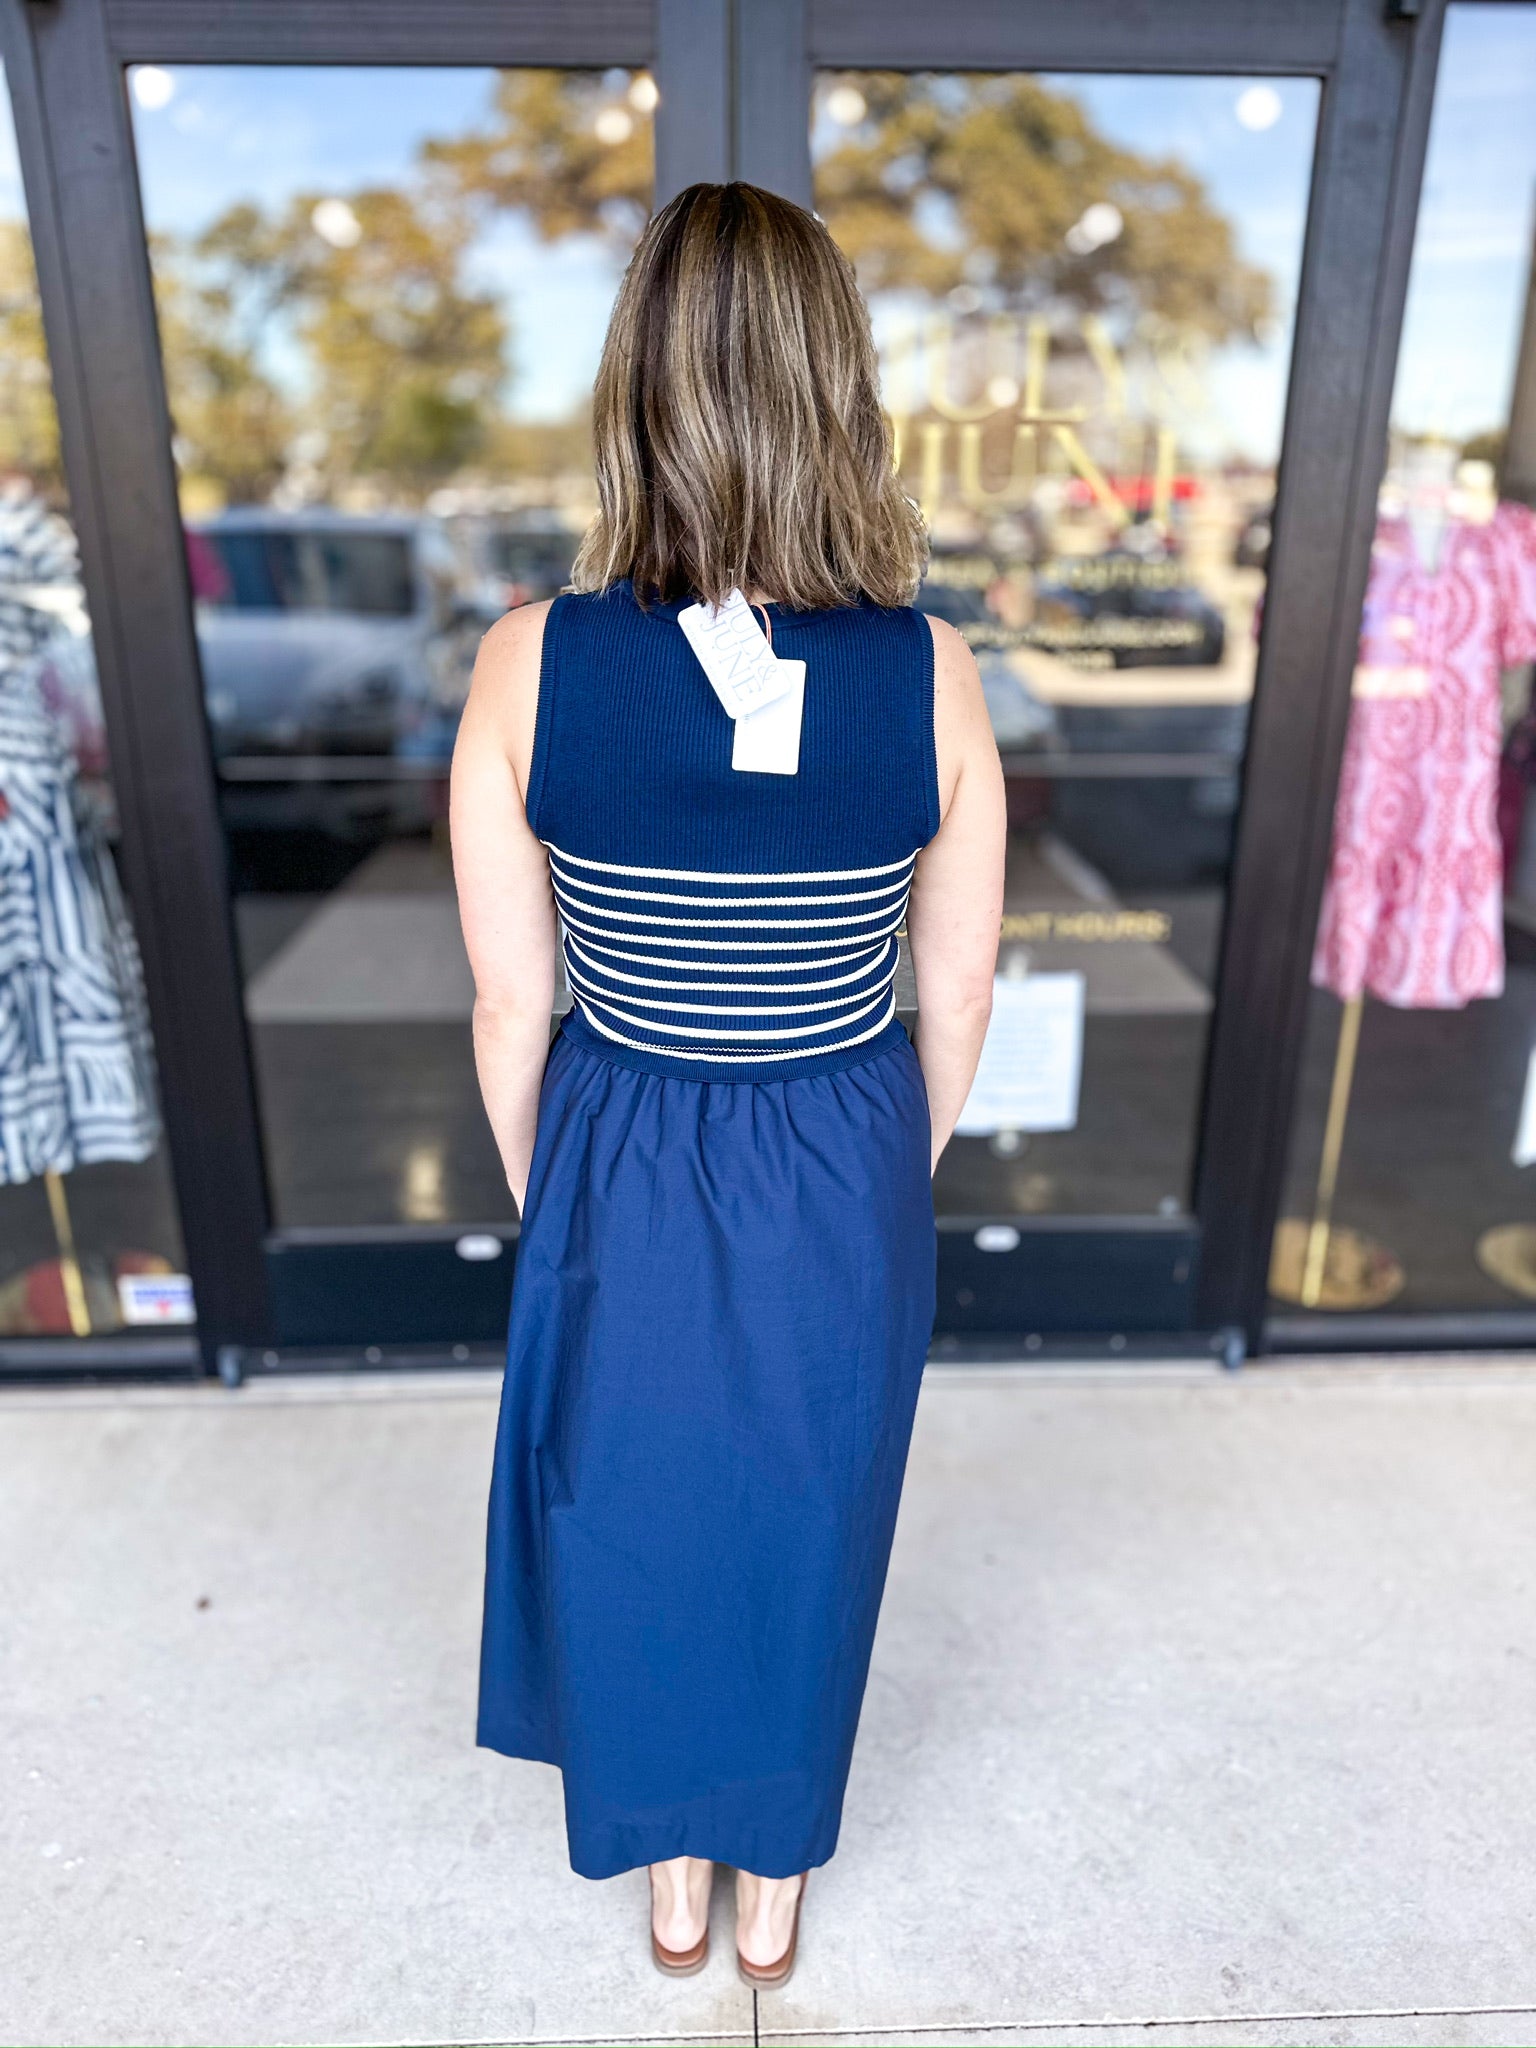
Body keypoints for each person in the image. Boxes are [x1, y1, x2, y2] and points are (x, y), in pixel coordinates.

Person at [451, 180, 1005, 1987]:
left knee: (626, 1500)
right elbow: (960, 977)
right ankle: (774, 1882)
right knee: (814, 1506)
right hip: (837, 1126)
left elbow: (506, 998)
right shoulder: (928, 671)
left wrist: (564, 1190)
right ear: (840, 387)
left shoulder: (534, 659)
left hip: (623, 1131)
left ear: (638, 389)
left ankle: (671, 1873)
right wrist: (879, 1157)